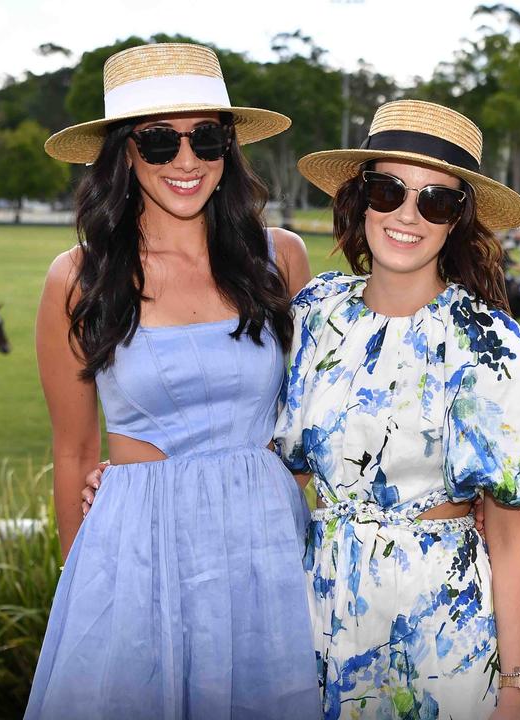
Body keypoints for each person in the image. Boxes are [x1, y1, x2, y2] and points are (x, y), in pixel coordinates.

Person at [26, 43, 318, 719]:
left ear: (228, 148)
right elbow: (72, 452)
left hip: (268, 552)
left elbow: (319, 420)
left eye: (206, 138)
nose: (186, 161)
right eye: (159, 142)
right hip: (136, 557)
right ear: (124, 153)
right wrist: (82, 590)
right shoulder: (78, 277)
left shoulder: (282, 260)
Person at [280, 99, 520, 718]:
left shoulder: (487, 342)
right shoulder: (316, 313)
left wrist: (516, 686)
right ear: (359, 199)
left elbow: (509, 535)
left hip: (439, 631)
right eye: (387, 190)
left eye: (437, 200)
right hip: (313, 613)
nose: (408, 215)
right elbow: (278, 465)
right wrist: (138, 478)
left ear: (458, 220)